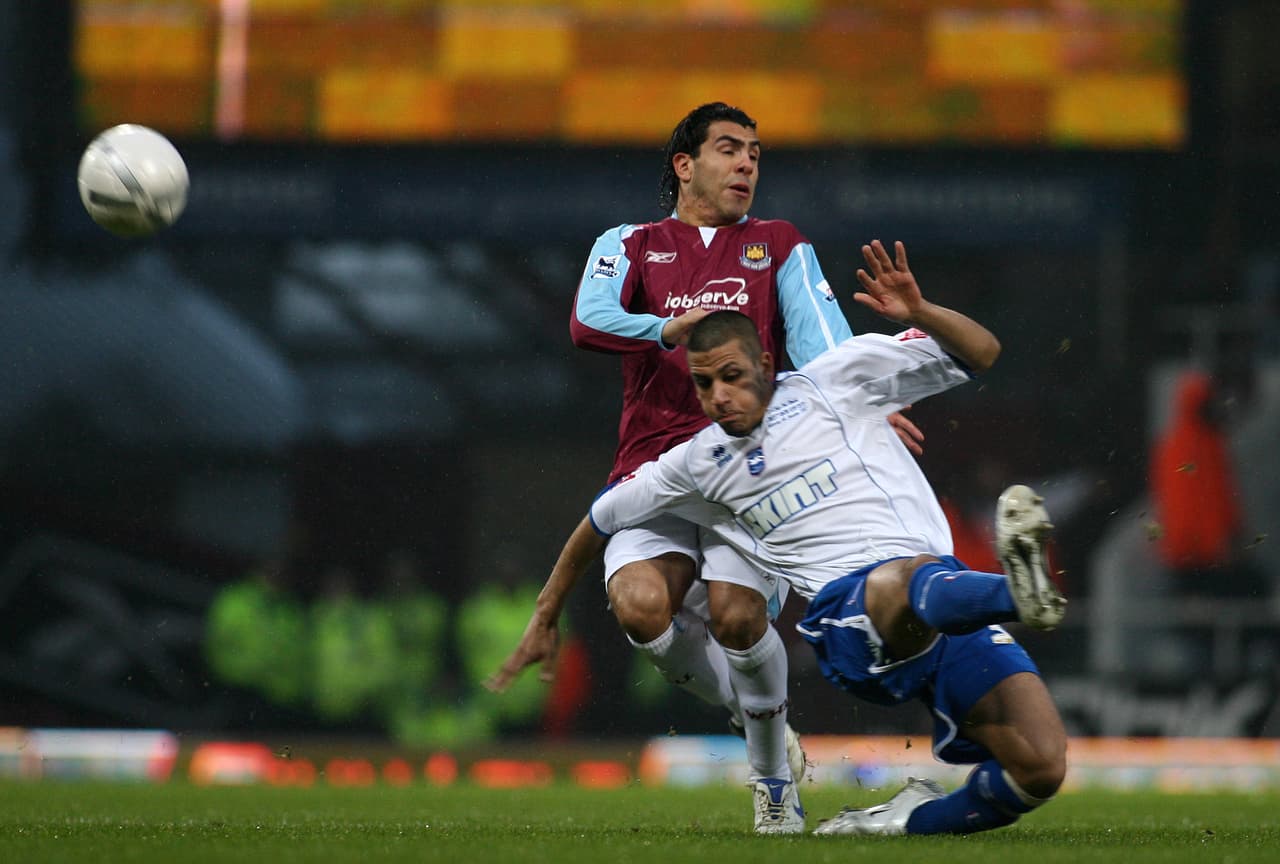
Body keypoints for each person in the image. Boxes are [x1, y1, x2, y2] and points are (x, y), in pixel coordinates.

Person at [526, 239, 1068, 836]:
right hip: (852, 620)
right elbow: (601, 518)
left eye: (732, 377)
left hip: (945, 602)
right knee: (903, 578)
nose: (719, 398)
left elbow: (982, 352)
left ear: (764, 361)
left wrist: (920, 312)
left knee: (1038, 768)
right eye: (705, 386)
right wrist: (547, 609)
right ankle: (1023, 595)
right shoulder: (697, 462)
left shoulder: (837, 377)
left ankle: (892, 825)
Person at [488, 102, 921, 833]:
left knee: (737, 615)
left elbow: (824, 343)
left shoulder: (779, 245)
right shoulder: (630, 243)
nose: (747, 163)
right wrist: (664, 327)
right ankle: (759, 725)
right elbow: (588, 320)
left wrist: (868, 405)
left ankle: (772, 785)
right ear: (685, 165)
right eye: (729, 149)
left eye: (755, 152)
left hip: (753, 473)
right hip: (656, 467)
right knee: (638, 607)